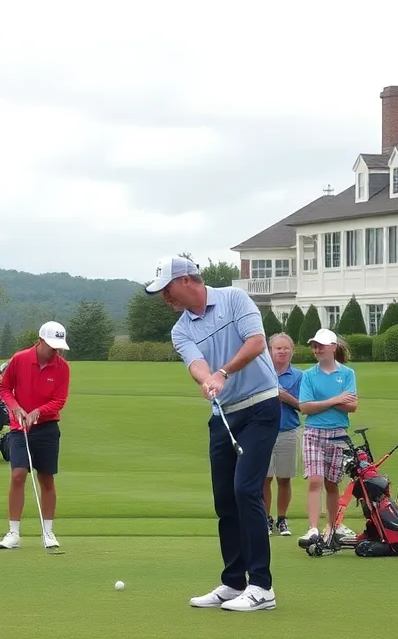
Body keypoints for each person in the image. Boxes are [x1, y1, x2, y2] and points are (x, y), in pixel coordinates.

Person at [148, 257, 281, 612]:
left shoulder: (234, 299)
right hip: (225, 414)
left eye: (167, 289)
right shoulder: (181, 329)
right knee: (224, 498)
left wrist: (221, 372)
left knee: (245, 489)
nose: (165, 298)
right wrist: (207, 378)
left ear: (187, 280)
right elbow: (196, 362)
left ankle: (262, 587)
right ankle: (233, 582)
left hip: (261, 407)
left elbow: (255, 343)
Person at [0, 321, 71, 550]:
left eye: (59, 347)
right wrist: (16, 408)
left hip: (47, 428)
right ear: (40, 341)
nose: (56, 351)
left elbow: (59, 400)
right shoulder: (19, 359)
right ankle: (13, 533)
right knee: (18, 474)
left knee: (46, 478)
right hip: (20, 428)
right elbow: (4, 388)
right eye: (52, 346)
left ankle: (48, 533)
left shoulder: (62, 367)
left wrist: (38, 412)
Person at [298, 328, 359, 545]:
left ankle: (333, 527)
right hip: (314, 431)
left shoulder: (347, 374)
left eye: (321, 345)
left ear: (333, 348)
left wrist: (323, 404)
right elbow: (305, 407)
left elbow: (351, 406)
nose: (317, 349)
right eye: (314, 345)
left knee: (332, 483)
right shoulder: (308, 375)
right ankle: (313, 528)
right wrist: (335, 401)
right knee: (315, 480)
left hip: (338, 433)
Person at [263, 332, 301, 537]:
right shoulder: (262, 373)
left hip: (288, 430)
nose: (282, 352)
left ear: (291, 352)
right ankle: (266, 519)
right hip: (262, 432)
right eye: (278, 348)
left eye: (286, 348)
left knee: (284, 478)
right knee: (265, 478)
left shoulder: (299, 376)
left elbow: (303, 406)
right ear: (270, 351)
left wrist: (285, 396)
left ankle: (282, 519)